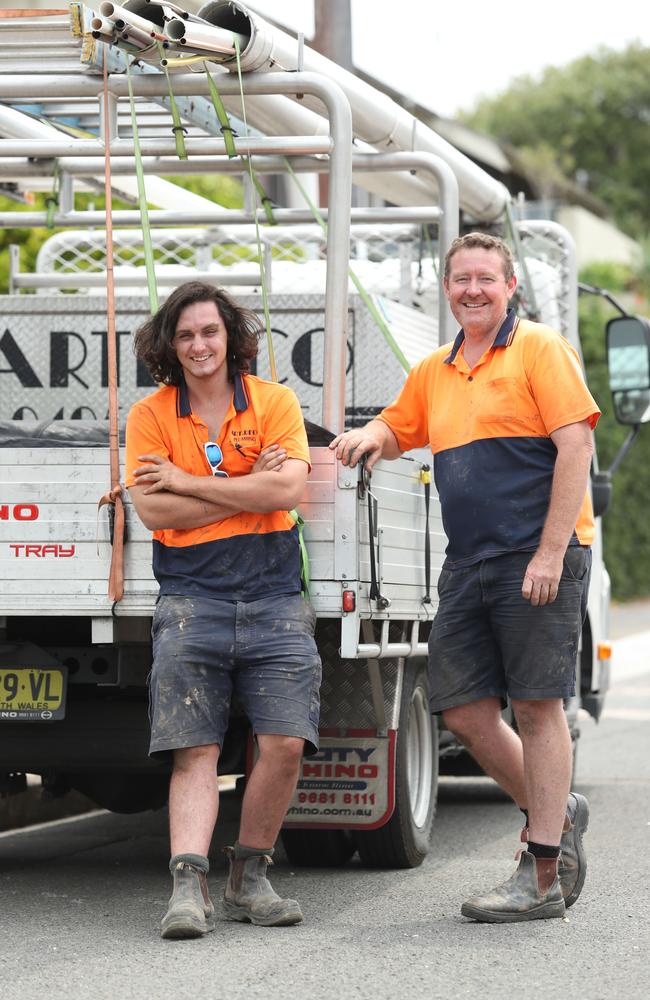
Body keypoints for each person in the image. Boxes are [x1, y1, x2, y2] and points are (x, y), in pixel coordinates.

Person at [330, 232, 599, 923]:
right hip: (469, 562)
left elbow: (576, 445)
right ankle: (556, 809)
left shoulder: (540, 348)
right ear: (447, 289)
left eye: (486, 278)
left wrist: (547, 554)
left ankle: (541, 871)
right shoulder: (437, 369)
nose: (472, 289)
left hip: (534, 557)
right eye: (460, 279)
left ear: (511, 286)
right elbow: (401, 426)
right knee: (464, 711)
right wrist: (370, 439)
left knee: (536, 707)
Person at [125, 281, 321, 939]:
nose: (199, 345)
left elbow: (292, 486)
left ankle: (249, 877)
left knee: (287, 743)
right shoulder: (150, 416)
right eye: (185, 336)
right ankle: (188, 886)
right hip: (190, 598)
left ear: (230, 338)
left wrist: (189, 481)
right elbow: (153, 510)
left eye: (209, 331)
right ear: (169, 347)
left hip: (275, 595)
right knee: (194, 746)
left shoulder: (275, 402)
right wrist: (246, 490)